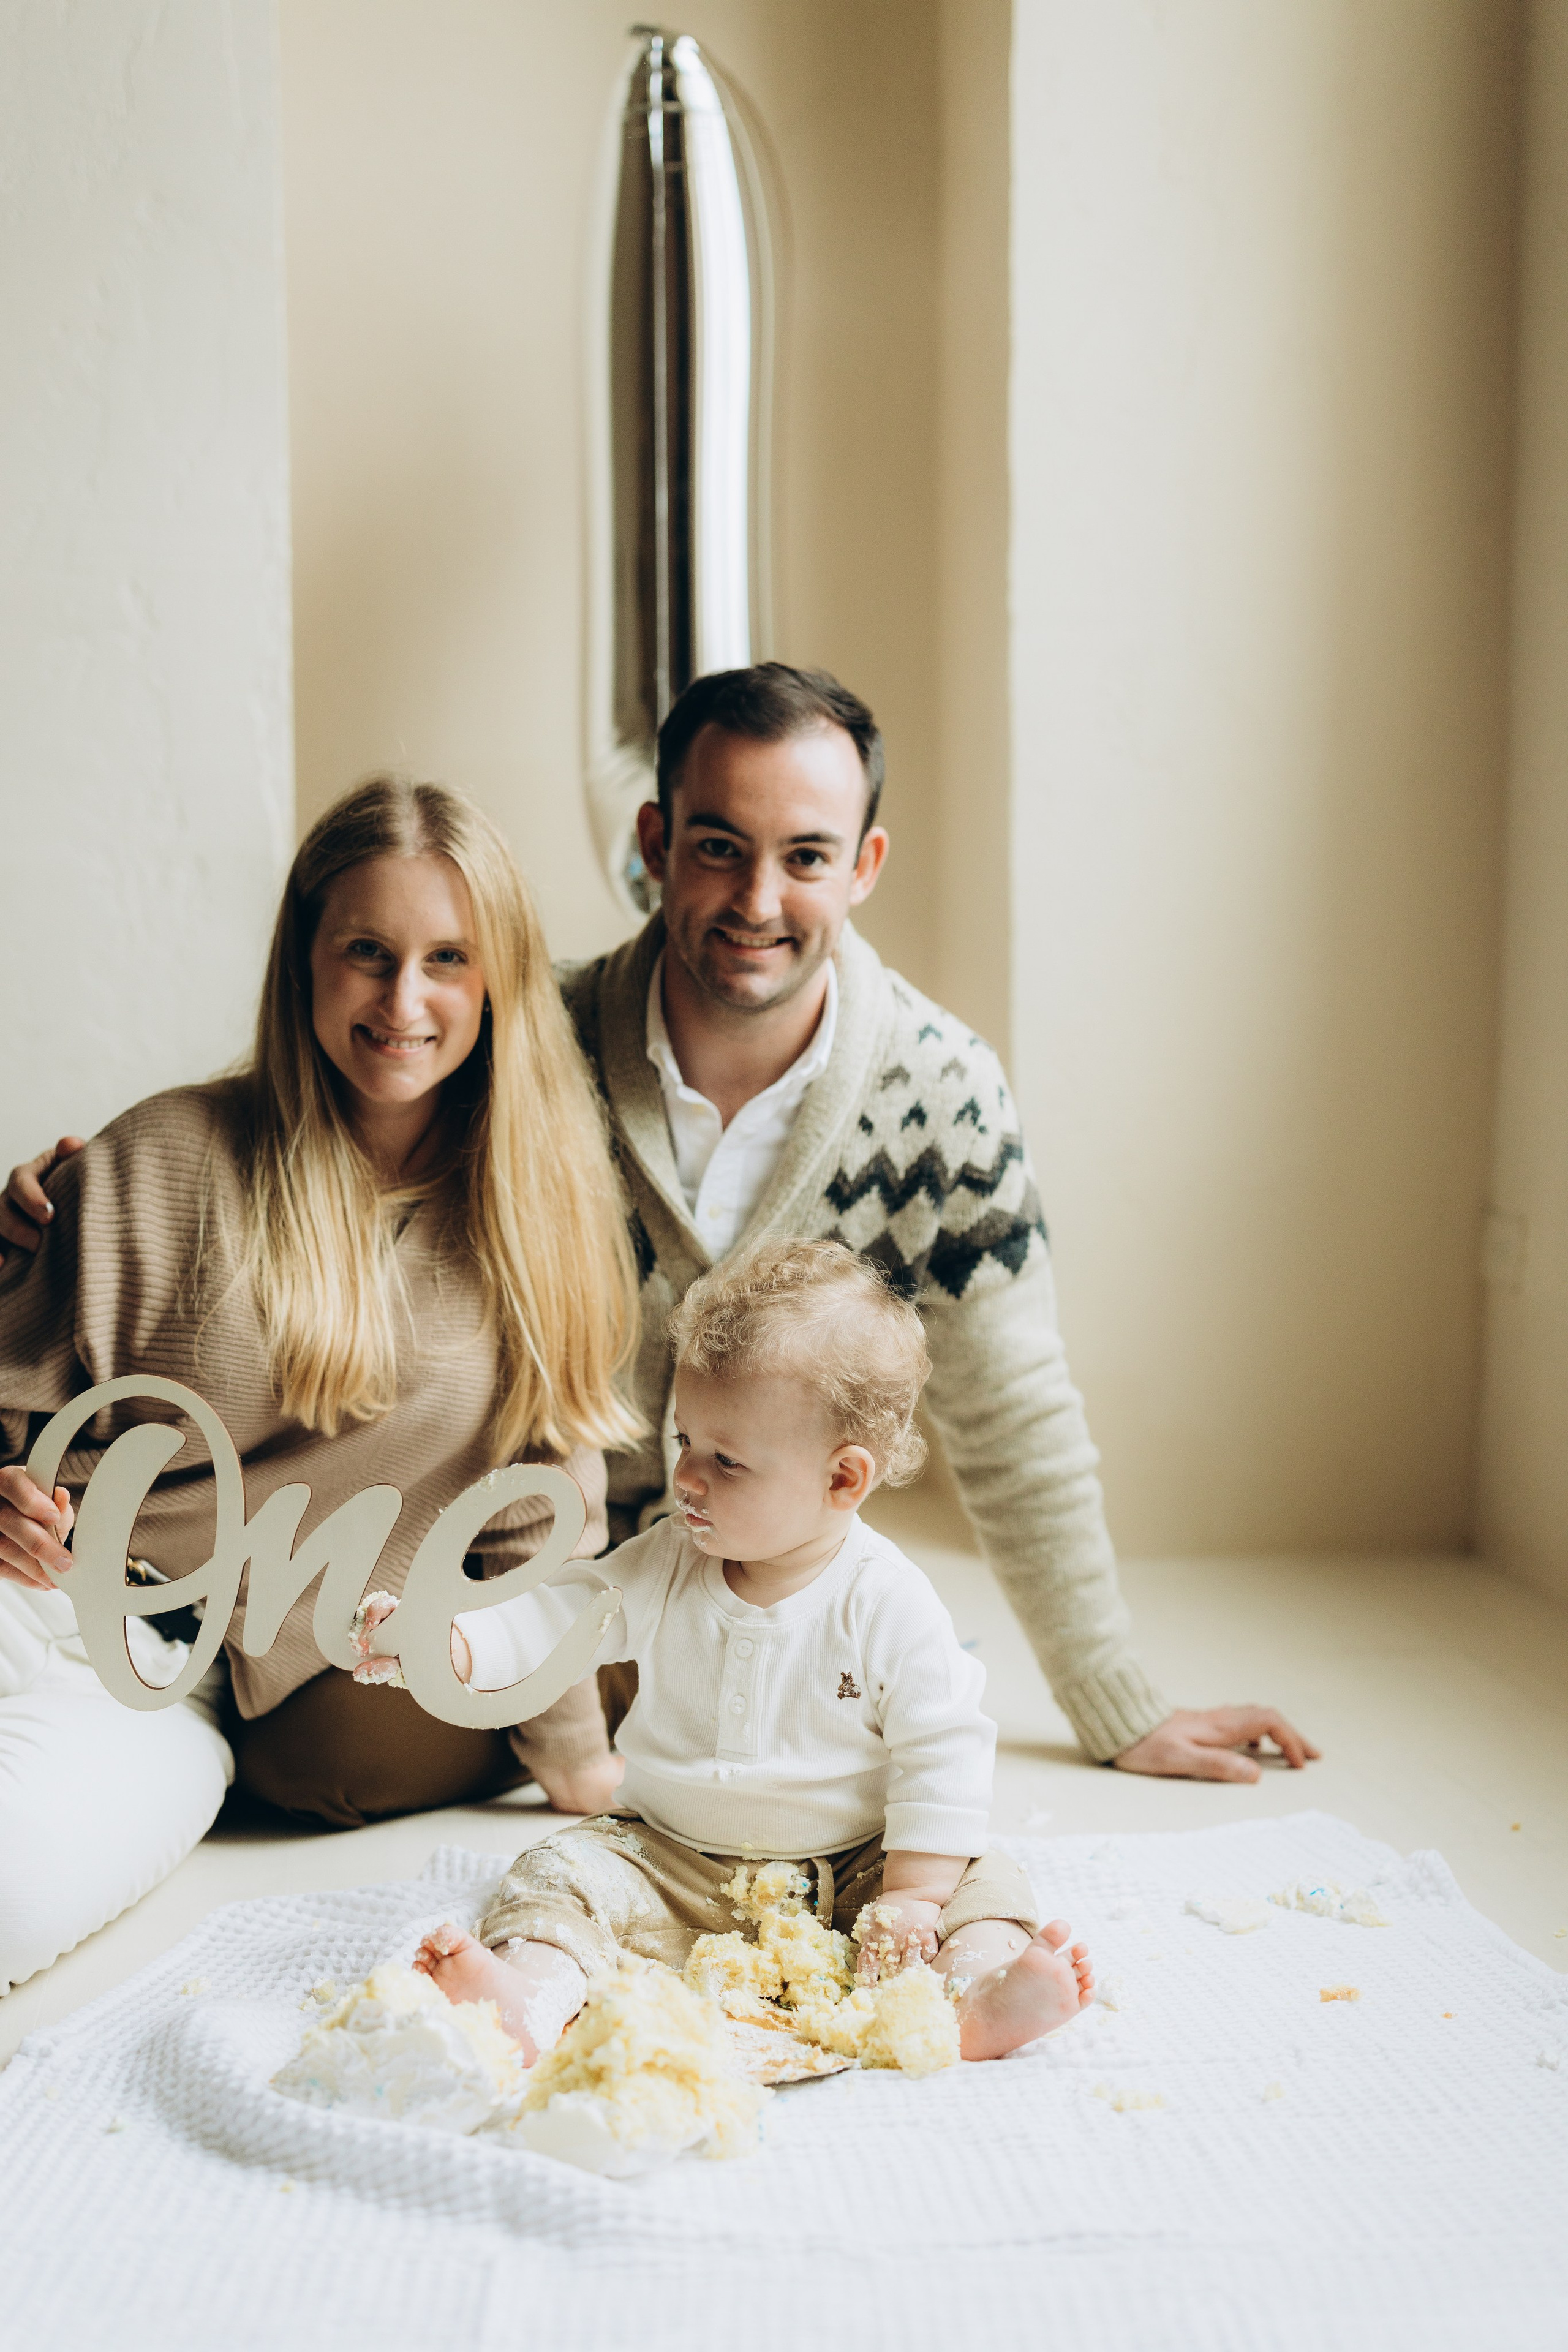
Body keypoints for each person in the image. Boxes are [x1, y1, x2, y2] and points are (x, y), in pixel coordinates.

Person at [2, 662, 1317, 1784]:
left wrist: (1116, 1705)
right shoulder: (528, 1051)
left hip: (763, 1608)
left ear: (862, 866)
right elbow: (312, 1144)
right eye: (715, 848)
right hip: (545, 1612)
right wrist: (79, 1208)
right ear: (650, 846)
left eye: (805, 857)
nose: (756, 899)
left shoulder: (940, 1095)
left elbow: (1014, 1412)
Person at [0, 777, 638, 1994]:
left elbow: (535, 1534)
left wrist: (582, 1773)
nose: (405, 1001)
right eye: (367, 952)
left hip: (171, 1692)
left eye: (448, 957)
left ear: (497, 976)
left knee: (14, 1898)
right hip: (37, 1598)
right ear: (306, 960)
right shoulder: (165, 1155)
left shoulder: (532, 1213)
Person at [400, 1240, 1096, 2067]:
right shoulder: (666, 1561)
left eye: (726, 1461)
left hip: (858, 1867)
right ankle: (534, 1995)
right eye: (684, 1439)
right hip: (673, 1858)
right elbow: (566, 1612)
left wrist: (915, 1890)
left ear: (844, 1480)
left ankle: (967, 1994)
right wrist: (453, 1641)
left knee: (985, 1882)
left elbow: (942, 1746)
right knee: (557, 1873)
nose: (687, 1477)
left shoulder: (887, 1601)